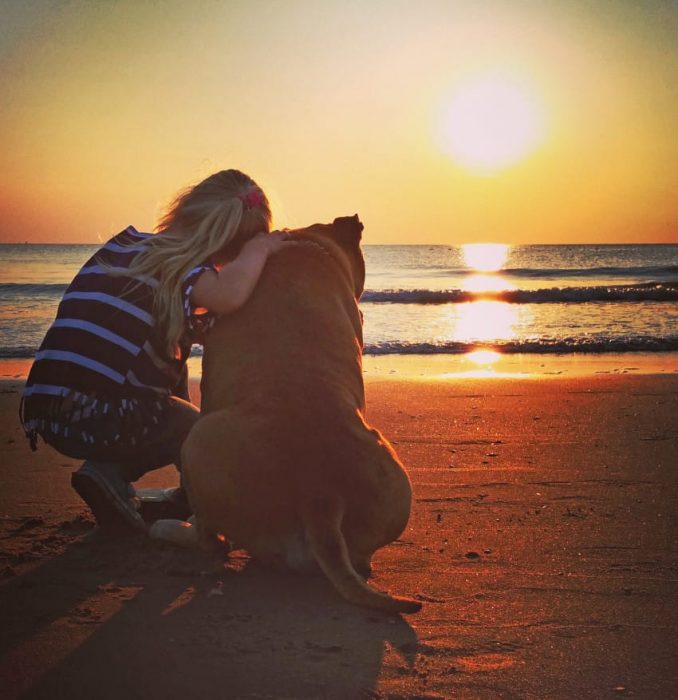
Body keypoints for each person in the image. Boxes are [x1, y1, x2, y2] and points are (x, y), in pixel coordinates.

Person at [19, 169, 289, 534]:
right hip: (97, 416)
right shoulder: (184, 271)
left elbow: (150, 360)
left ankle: (183, 492)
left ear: (186, 206)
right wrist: (262, 249)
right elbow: (229, 294)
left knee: (171, 384)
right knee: (196, 430)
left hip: (46, 409)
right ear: (227, 251)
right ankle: (110, 472)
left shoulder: (124, 247)